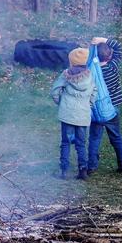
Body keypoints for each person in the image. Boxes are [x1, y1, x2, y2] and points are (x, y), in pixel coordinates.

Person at [50, 48, 96, 180]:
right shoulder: (91, 75)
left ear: (71, 61)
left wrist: (61, 102)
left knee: (65, 142)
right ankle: (83, 171)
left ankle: (63, 171)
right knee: (81, 143)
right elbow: (95, 92)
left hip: (67, 114)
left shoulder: (65, 75)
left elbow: (54, 92)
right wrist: (89, 105)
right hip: (83, 115)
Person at [87, 36, 122, 174]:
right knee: (116, 137)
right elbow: (119, 47)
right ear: (110, 56)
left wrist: (93, 48)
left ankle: (92, 166)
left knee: (94, 138)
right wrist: (103, 39)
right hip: (112, 109)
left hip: (96, 109)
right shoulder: (113, 66)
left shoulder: (91, 72)